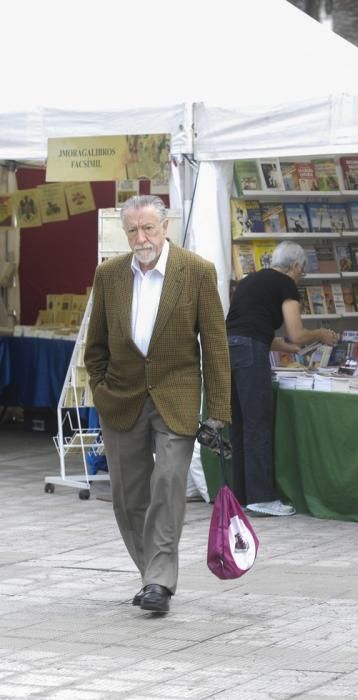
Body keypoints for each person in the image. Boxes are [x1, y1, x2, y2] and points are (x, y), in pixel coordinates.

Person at [84, 194, 230, 614]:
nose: (140, 238)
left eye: (148, 228)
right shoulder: (109, 275)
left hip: (176, 397)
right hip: (121, 398)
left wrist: (218, 410)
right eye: (132, 230)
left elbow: (215, 347)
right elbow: (95, 347)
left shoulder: (197, 272)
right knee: (128, 497)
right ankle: (152, 574)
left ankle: (159, 583)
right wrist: (100, 386)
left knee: (168, 482)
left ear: (165, 227)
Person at [226, 241, 337, 517]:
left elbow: (250, 330)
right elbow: (296, 334)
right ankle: (262, 497)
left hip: (227, 349)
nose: (300, 277)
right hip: (250, 351)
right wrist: (321, 334)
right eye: (302, 273)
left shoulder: (250, 281)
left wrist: (288, 348)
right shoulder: (286, 284)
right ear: (297, 266)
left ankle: (241, 496)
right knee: (258, 423)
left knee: (240, 425)